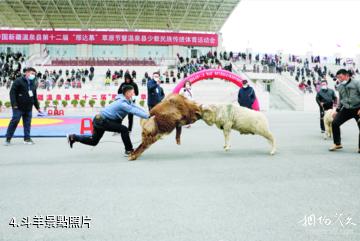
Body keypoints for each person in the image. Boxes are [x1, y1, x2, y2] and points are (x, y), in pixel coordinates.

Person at [67, 85, 149, 156]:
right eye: (132, 92)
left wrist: (148, 114)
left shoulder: (127, 101)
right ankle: (129, 150)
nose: (133, 94)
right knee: (124, 129)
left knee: (94, 141)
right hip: (102, 121)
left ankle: (73, 137)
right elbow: (133, 111)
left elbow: (136, 107)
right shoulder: (122, 103)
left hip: (99, 120)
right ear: (127, 93)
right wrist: (148, 116)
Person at [4, 67, 42, 145]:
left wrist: (38, 108)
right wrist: (14, 104)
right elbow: (12, 93)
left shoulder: (33, 83)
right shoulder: (18, 81)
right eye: (32, 74)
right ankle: (8, 138)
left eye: (34, 74)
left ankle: (27, 139)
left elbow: (34, 96)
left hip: (28, 108)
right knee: (15, 121)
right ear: (27, 73)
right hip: (18, 107)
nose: (33, 76)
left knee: (27, 123)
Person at [329, 69, 360, 153]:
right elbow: (341, 100)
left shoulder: (357, 83)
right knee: (335, 123)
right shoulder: (340, 87)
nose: (339, 79)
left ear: (346, 75)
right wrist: (337, 110)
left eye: (340, 77)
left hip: (358, 108)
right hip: (346, 109)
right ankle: (337, 144)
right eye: (338, 78)